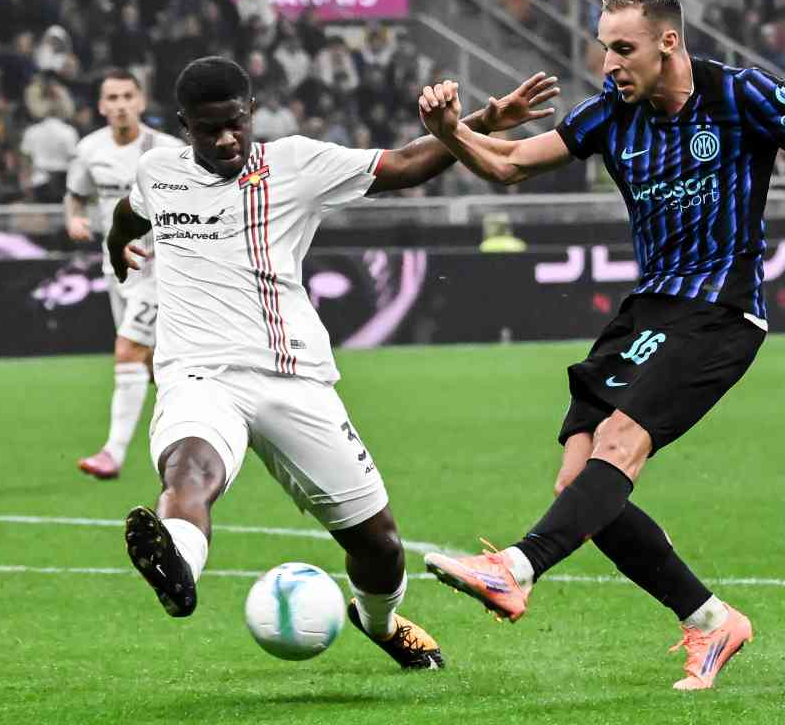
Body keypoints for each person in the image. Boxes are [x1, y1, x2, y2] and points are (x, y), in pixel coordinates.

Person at [417, 0, 785, 690]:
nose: (609, 63)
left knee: (616, 449)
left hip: (720, 312)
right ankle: (709, 621)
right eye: (604, 47)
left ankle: (513, 569)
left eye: (623, 48)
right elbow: (509, 163)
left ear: (669, 42)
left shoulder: (738, 96)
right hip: (648, 311)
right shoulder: (610, 114)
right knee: (581, 485)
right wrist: (452, 129)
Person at [107, 56, 558, 668]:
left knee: (379, 546)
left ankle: (379, 621)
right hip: (198, 374)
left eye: (234, 123)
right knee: (189, 469)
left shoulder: (294, 163)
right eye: (207, 128)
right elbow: (129, 212)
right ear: (183, 125)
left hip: (293, 378)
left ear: (252, 114)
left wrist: (482, 121)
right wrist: (117, 245)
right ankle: (178, 563)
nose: (224, 139)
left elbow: (403, 164)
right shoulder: (157, 171)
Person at [66, 68, 185, 480]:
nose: (119, 105)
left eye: (127, 97)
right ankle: (203, 430)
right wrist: (75, 220)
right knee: (153, 365)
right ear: (101, 106)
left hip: (160, 270)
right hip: (115, 268)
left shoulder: (166, 150)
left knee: (128, 351)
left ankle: (112, 453)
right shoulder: (88, 149)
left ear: (140, 102)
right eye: (111, 98)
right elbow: (76, 196)